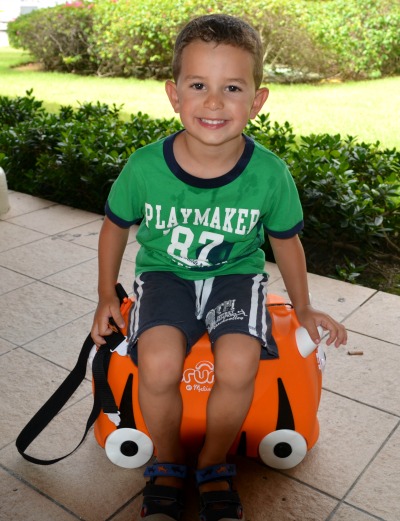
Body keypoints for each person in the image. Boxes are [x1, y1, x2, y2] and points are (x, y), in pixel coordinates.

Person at [91, 13, 347, 521]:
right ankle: (167, 464)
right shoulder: (145, 167)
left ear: (256, 100)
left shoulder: (270, 174)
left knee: (238, 362)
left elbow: (287, 243)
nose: (213, 102)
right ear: (173, 94)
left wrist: (304, 306)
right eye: (198, 85)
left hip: (236, 276)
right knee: (159, 363)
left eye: (231, 87)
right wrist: (104, 297)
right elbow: (115, 227)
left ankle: (211, 462)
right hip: (166, 275)